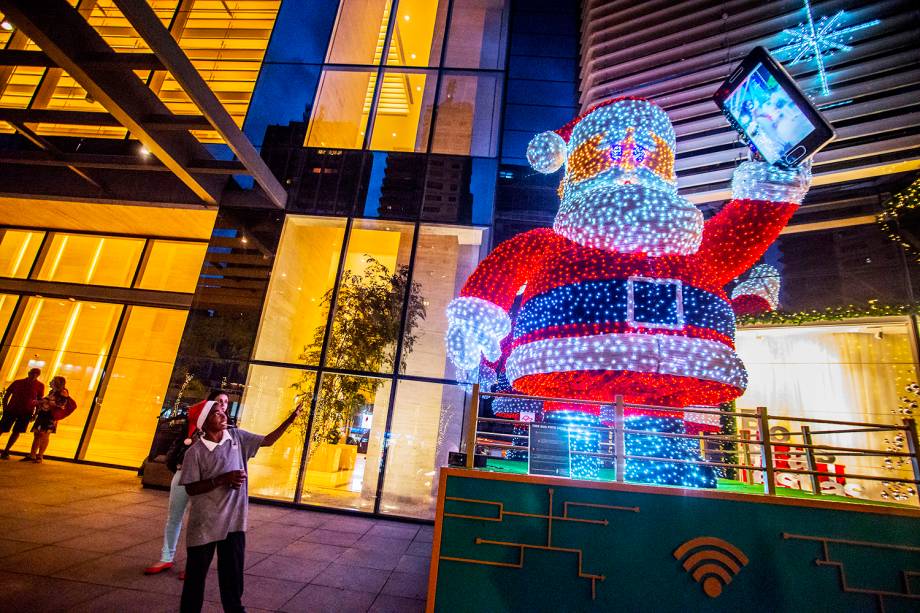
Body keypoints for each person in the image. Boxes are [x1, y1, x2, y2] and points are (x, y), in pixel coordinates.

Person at [179, 394, 302, 613]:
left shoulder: (237, 437)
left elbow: (268, 440)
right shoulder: (194, 453)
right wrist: (223, 479)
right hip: (204, 524)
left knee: (233, 575)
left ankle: (235, 610)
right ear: (205, 422)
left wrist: (290, 420)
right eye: (216, 413)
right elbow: (191, 488)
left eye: (222, 411)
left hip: (234, 523)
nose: (223, 414)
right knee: (195, 578)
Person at [143, 391, 227, 577]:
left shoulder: (225, 430)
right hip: (183, 475)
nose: (222, 404)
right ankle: (166, 557)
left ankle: (194, 564)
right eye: (218, 401)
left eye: (225, 402)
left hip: (205, 481)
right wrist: (175, 463)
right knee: (174, 517)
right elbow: (179, 445)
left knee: (199, 522)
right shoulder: (193, 425)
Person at [23, 376, 76, 463]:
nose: (50, 382)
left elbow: (61, 404)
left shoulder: (63, 392)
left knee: (44, 435)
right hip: (43, 414)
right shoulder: (52, 391)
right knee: (37, 434)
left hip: (50, 416)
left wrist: (45, 402)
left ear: (57, 383)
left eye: (53, 381)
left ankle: (40, 455)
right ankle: (32, 454)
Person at [0, 368, 44, 459]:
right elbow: (7, 395)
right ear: (29, 373)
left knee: (17, 431)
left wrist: (36, 413)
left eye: (36, 374)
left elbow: (39, 400)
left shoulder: (40, 385)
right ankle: (6, 451)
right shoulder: (17, 382)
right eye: (32, 373)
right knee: (2, 429)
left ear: (38, 375)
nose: (34, 375)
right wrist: (5, 407)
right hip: (12, 409)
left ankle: (6, 451)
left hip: (26, 412)